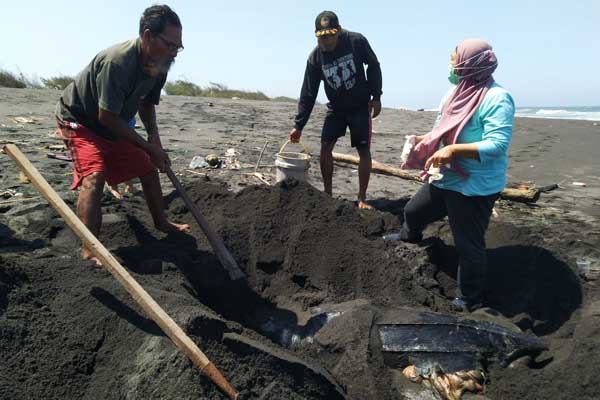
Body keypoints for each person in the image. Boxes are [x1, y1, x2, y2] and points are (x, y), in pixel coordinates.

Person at [55, 4, 190, 265]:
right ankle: (90, 249)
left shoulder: (161, 64)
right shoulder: (117, 63)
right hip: (80, 119)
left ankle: (162, 223)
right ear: (148, 36)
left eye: (178, 47)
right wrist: (150, 148)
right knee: (94, 176)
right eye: (170, 45)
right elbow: (105, 117)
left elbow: (146, 103)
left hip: (111, 123)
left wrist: (154, 141)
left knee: (149, 168)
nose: (174, 53)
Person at [400, 39, 515, 312]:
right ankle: (409, 237)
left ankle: (469, 298)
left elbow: (497, 145)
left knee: (468, 244)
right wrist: (420, 140)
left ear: (469, 65)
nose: (451, 67)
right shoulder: (453, 93)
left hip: (476, 184)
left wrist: (453, 151)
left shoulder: (497, 98)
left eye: (455, 61)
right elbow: (441, 129)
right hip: (448, 176)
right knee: (414, 211)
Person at [289, 11, 383, 209]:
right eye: (322, 37)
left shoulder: (356, 41)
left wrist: (376, 96)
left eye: (330, 35)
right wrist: (299, 125)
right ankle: (328, 193)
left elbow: (373, 65)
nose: (327, 40)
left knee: (363, 150)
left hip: (359, 106)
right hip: (336, 108)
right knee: (325, 147)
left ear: (338, 31)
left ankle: (362, 198)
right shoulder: (315, 58)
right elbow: (308, 92)